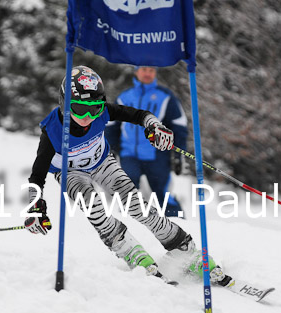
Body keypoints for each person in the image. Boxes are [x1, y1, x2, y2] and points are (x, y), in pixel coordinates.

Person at [24, 65, 231, 286]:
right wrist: (35, 206)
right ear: (63, 103)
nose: (87, 116)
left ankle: (185, 250)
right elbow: (37, 175)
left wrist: (155, 126)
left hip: (102, 162)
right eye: (78, 108)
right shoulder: (52, 132)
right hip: (71, 173)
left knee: (136, 205)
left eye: (94, 109)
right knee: (93, 206)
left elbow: (140, 115)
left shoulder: (103, 112)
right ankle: (128, 249)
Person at [105, 66, 186, 218]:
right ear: (136, 71)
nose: (147, 73)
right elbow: (112, 125)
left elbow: (179, 126)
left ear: (155, 73)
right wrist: (111, 149)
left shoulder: (165, 97)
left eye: (151, 70)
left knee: (162, 193)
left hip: (157, 155)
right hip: (129, 154)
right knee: (127, 192)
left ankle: (181, 224)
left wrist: (178, 154)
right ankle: (129, 224)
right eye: (144, 70)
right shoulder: (125, 97)